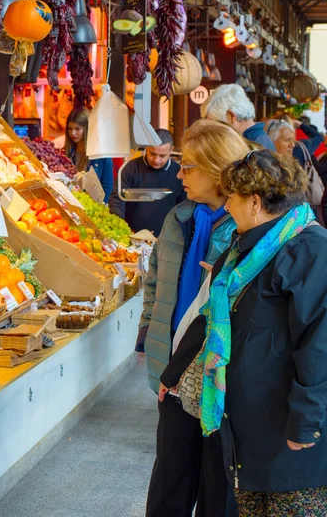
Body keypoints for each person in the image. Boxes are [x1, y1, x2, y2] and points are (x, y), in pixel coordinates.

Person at [161, 150, 327, 516]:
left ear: (254, 202)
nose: (227, 208)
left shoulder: (309, 250)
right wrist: (173, 373)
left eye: (231, 199)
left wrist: (307, 423)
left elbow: (319, 344)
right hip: (247, 432)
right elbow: (211, 315)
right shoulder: (244, 249)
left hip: (289, 436)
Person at [143, 120, 250, 517]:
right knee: (170, 475)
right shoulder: (178, 217)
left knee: (216, 482)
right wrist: (147, 336)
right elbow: (156, 282)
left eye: (188, 166)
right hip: (173, 365)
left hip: (217, 374)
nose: (179, 173)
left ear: (218, 168)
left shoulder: (247, 228)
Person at [109, 129, 186, 236]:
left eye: (162, 156)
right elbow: (117, 199)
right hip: (131, 235)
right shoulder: (130, 168)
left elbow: (183, 208)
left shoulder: (179, 173)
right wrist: (119, 225)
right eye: (152, 154)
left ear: (171, 150)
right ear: (146, 147)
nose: (156, 160)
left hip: (166, 237)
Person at [201, 84, 275, 150]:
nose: (215, 132)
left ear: (231, 116)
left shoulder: (252, 146)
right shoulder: (258, 139)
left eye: (217, 125)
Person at [64, 108, 114, 201]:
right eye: (70, 129)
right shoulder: (66, 153)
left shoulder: (101, 155)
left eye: (77, 129)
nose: (73, 133)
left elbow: (107, 187)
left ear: (87, 128)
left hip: (94, 207)